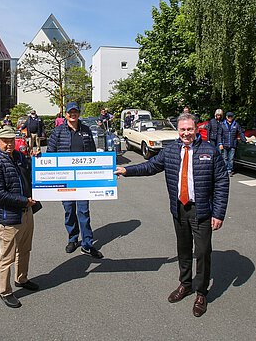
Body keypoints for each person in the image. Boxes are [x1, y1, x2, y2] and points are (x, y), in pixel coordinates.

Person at [115, 112, 229, 318]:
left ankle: (201, 293)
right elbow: (150, 166)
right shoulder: (170, 151)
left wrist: (219, 213)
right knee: (184, 250)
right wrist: (127, 170)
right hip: (179, 209)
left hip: (202, 210)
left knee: (202, 252)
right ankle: (185, 285)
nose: (186, 133)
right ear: (178, 130)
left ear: (196, 129)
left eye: (190, 129)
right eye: (183, 129)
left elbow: (222, 182)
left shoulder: (209, 151)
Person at [0, 125, 41, 308]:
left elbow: (30, 173)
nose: (9, 144)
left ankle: (22, 279)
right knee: (6, 257)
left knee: (25, 250)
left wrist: (36, 160)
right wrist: (23, 201)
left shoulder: (19, 156)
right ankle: (5, 291)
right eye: (5, 141)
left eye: (11, 140)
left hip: (27, 213)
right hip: (10, 216)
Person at [47, 102, 103, 258]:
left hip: (83, 180)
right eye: (70, 112)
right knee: (69, 210)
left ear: (79, 114)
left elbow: (93, 154)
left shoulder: (86, 130)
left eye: (75, 112)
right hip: (65, 180)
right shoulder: (58, 131)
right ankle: (73, 238)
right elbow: (50, 154)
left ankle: (87, 244)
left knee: (83, 211)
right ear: (65, 114)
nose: (73, 114)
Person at [221, 112, 245, 176]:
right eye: (229, 117)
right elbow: (219, 134)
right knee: (225, 158)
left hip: (232, 144)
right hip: (224, 144)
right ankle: (225, 170)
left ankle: (229, 170)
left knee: (231, 158)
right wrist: (220, 143)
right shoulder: (222, 124)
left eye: (231, 117)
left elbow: (240, 132)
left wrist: (244, 140)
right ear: (226, 117)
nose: (230, 118)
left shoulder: (236, 124)